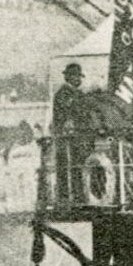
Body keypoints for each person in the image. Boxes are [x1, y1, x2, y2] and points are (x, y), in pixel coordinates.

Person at [51, 63, 85, 201]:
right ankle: (66, 197)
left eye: (79, 76)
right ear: (69, 78)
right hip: (65, 137)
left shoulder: (78, 94)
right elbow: (65, 115)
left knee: (77, 166)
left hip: (75, 136)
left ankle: (77, 195)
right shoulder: (63, 94)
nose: (79, 80)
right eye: (76, 77)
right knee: (67, 166)